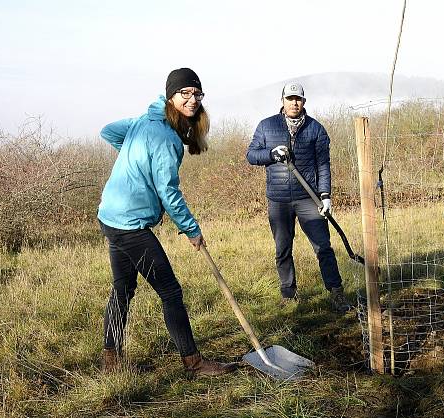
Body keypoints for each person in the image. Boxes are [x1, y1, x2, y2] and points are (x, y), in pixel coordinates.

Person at [97, 67, 239, 377]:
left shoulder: (143, 122)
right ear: (170, 96)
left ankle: (111, 360)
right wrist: (191, 228)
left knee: (123, 287)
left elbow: (107, 131)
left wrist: (134, 158)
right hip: (129, 223)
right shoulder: (165, 137)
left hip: (111, 215)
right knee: (171, 292)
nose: (192, 100)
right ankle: (194, 363)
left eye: (197, 94)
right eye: (185, 94)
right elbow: (168, 191)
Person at [246, 82, 351, 313]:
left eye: (298, 99)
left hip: (308, 198)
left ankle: (336, 293)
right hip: (278, 200)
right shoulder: (267, 126)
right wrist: (271, 155)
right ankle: (289, 294)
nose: (294, 103)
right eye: (290, 98)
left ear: (304, 102)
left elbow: (323, 166)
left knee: (323, 247)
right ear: (282, 100)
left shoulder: (316, 129)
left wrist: (325, 196)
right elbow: (251, 155)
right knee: (283, 248)